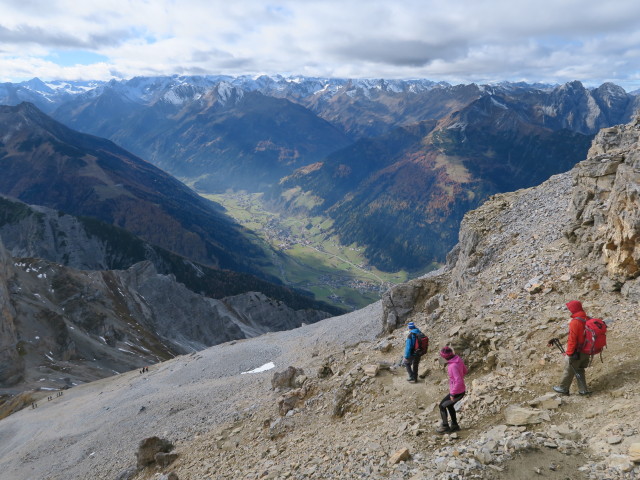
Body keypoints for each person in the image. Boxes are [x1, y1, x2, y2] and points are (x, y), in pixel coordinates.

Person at [552, 300, 592, 395]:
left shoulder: (575, 322)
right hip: (587, 351)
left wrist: (569, 353)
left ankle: (563, 388)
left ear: (573, 309)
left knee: (568, 370)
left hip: (577, 352)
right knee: (579, 370)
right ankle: (583, 390)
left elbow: (572, 340)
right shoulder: (588, 318)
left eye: (570, 308)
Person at [436, 346, 468, 433]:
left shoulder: (452, 366)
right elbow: (465, 371)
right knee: (449, 405)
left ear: (445, 357)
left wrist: (452, 393)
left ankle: (445, 426)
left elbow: (459, 381)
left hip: (457, 392)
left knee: (442, 406)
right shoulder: (458, 359)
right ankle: (454, 425)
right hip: (460, 390)